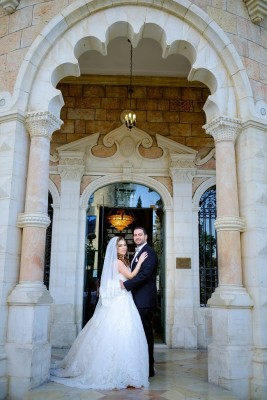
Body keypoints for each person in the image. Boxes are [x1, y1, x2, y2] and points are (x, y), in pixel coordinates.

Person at [50, 236, 149, 389]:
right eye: (120, 246)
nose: (123, 247)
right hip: (121, 301)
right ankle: (116, 372)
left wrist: (120, 284)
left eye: (124, 245)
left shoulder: (122, 261)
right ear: (115, 249)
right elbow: (130, 276)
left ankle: (125, 371)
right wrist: (140, 262)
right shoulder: (117, 262)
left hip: (125, 299)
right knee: (119, 333)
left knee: (126, 334)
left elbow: (115, 281)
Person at [122, 227, 158, 378]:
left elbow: (144, 275)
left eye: (140, 235)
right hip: (137, 300)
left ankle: (149, 368)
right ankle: (141, 365)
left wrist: (126, 285)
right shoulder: (139, 252)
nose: (137, 237)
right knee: (139, 335)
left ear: (146, 236)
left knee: (145, 335)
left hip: (144, 302)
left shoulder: (149, 252)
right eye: (135, 235)